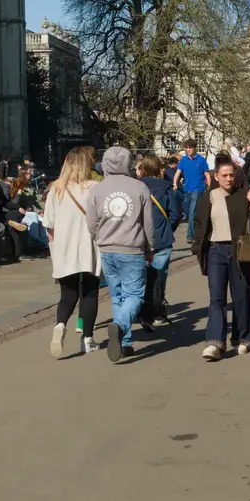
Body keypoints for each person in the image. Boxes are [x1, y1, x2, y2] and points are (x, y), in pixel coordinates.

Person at [86, 146, 155, 363]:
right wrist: (150, 247)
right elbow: (148, 224)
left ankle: (125, 343)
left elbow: (91, 222)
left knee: (118, 296)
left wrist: (99, 237)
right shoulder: (139, 187)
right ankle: (121, 326)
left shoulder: (97, 190)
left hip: (107, 248)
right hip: (132, 247)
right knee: (135, 295)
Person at [193, 156, 250, 361]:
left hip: (240, 252)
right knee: (217, 297)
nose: (229, 179)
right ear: (216, 176)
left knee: (242, 297)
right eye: (224, 175)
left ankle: (242, 339)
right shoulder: (208, 197)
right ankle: (215, 342)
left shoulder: (244, 195)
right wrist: (198, 248)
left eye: (232, 175)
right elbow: (199, 224)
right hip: (216, 251)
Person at [43, 146, 101, 359]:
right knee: (90, 292)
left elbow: (48, 223)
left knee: (67, 295)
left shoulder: (55, 189)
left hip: (64, 247)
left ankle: (60, 324)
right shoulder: (94, 187)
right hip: (89, 246)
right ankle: (87, 338)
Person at [137, 154, 179, 329]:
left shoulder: (136, 188)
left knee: (141, 278)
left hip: (139, 240)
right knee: (159, 278)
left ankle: (142, 312)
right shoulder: (168, 189)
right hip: (161, 239)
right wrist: (167, 227)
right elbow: (176, 214)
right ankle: (157, 311)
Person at [173, 140, 212, 244]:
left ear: (195, 148)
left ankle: (190, 235)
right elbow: (178, 173)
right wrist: (175, 183)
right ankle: (198, 231)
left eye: (190, 147)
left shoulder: (201, 160)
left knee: (191, 212)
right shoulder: (183, 160)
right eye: (187, 147)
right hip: (187, 189)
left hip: (198, 189)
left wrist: (209, 186)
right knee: (190, 212)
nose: (188, 149)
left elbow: (207, 174)